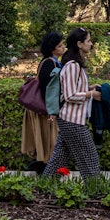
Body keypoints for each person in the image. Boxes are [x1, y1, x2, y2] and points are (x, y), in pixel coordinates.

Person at [42, 28, 102, 178]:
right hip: (71, 120)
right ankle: (95, 191)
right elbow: (69, 95)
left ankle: (44, 186)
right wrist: (91, 94)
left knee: (59, 160)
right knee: (90, 158)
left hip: (70, 120)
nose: (91, 43)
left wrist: (88, 88)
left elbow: (72, 88)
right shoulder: (72, 66)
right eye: (88, 41)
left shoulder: (75, 65)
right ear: (79, 44)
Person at [21, 32, 65, 172]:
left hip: (44, 109)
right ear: (53, 49)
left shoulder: (52, 62)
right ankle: (43, 169)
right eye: (60, 45)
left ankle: (44, 168)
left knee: (47, 142)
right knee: (46, 142)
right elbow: (47, 88)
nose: (63, 47)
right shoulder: (49, 63)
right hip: (43, 110)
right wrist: (52, 111)